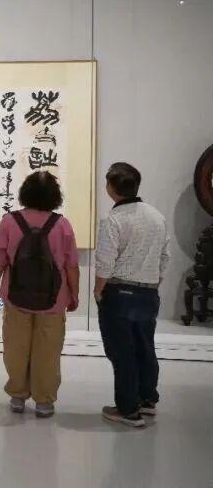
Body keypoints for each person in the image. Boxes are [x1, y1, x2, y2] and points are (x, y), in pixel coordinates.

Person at [0, 171, 80, 418]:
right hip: (54, 300)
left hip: (14, 297)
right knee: (48, 351)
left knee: (15, 347)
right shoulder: (62, 225)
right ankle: (44, 401)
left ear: (25, 193)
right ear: (55, 196)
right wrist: (74, 295)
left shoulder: (9, 221)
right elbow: (71, 265)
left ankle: (17, 396)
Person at [95, 162, 170, 429]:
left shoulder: (113, 219)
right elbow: (164, 257)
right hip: (148, 292)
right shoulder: (156, 216)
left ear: (111, 188)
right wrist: (153, 283)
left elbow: (105, 261)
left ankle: (128, 410)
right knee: (145, 347)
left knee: (122, 352)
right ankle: (147, 399)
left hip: (119, 292)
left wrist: (98, 290)